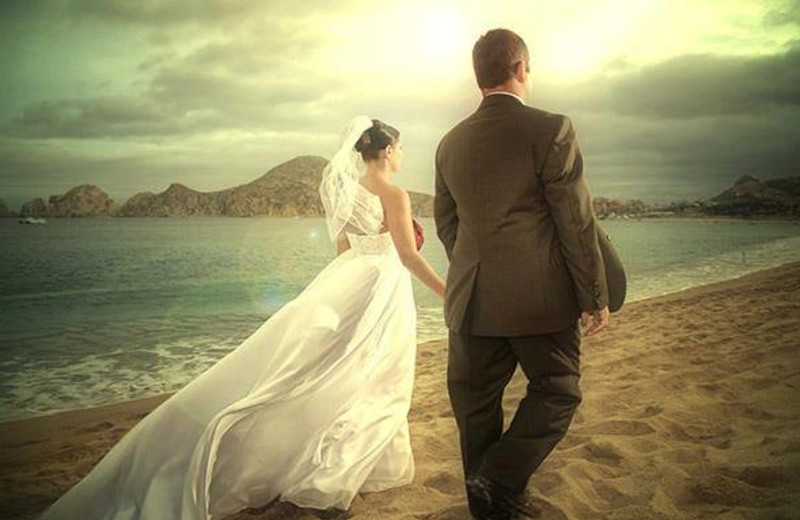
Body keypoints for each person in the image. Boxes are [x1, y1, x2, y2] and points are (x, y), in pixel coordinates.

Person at [38, 116, 445, 520]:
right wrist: (449, 291)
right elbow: (407, 256)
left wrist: (340, 295)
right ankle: (338, 471)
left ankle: (335, 461)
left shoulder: (347, 193)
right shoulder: (394, 193)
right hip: (382, 288)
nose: (403, 154)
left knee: (336, 371)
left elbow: (343, 251)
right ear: (388, 151)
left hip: (350, 282)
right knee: (378, 377)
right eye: (401, 147)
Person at [434, 28, 611, 520]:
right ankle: (499, 480)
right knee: (558, 389)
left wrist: (474, 270)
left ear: (478, 77)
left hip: (470, 303)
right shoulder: (551, 128)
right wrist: (593, 294)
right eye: (526, 69)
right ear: (520, 70)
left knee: (475, 410)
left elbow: (449, 226)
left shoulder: (448, 143)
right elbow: (575, 222)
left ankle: (489, 505)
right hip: (540, 301)